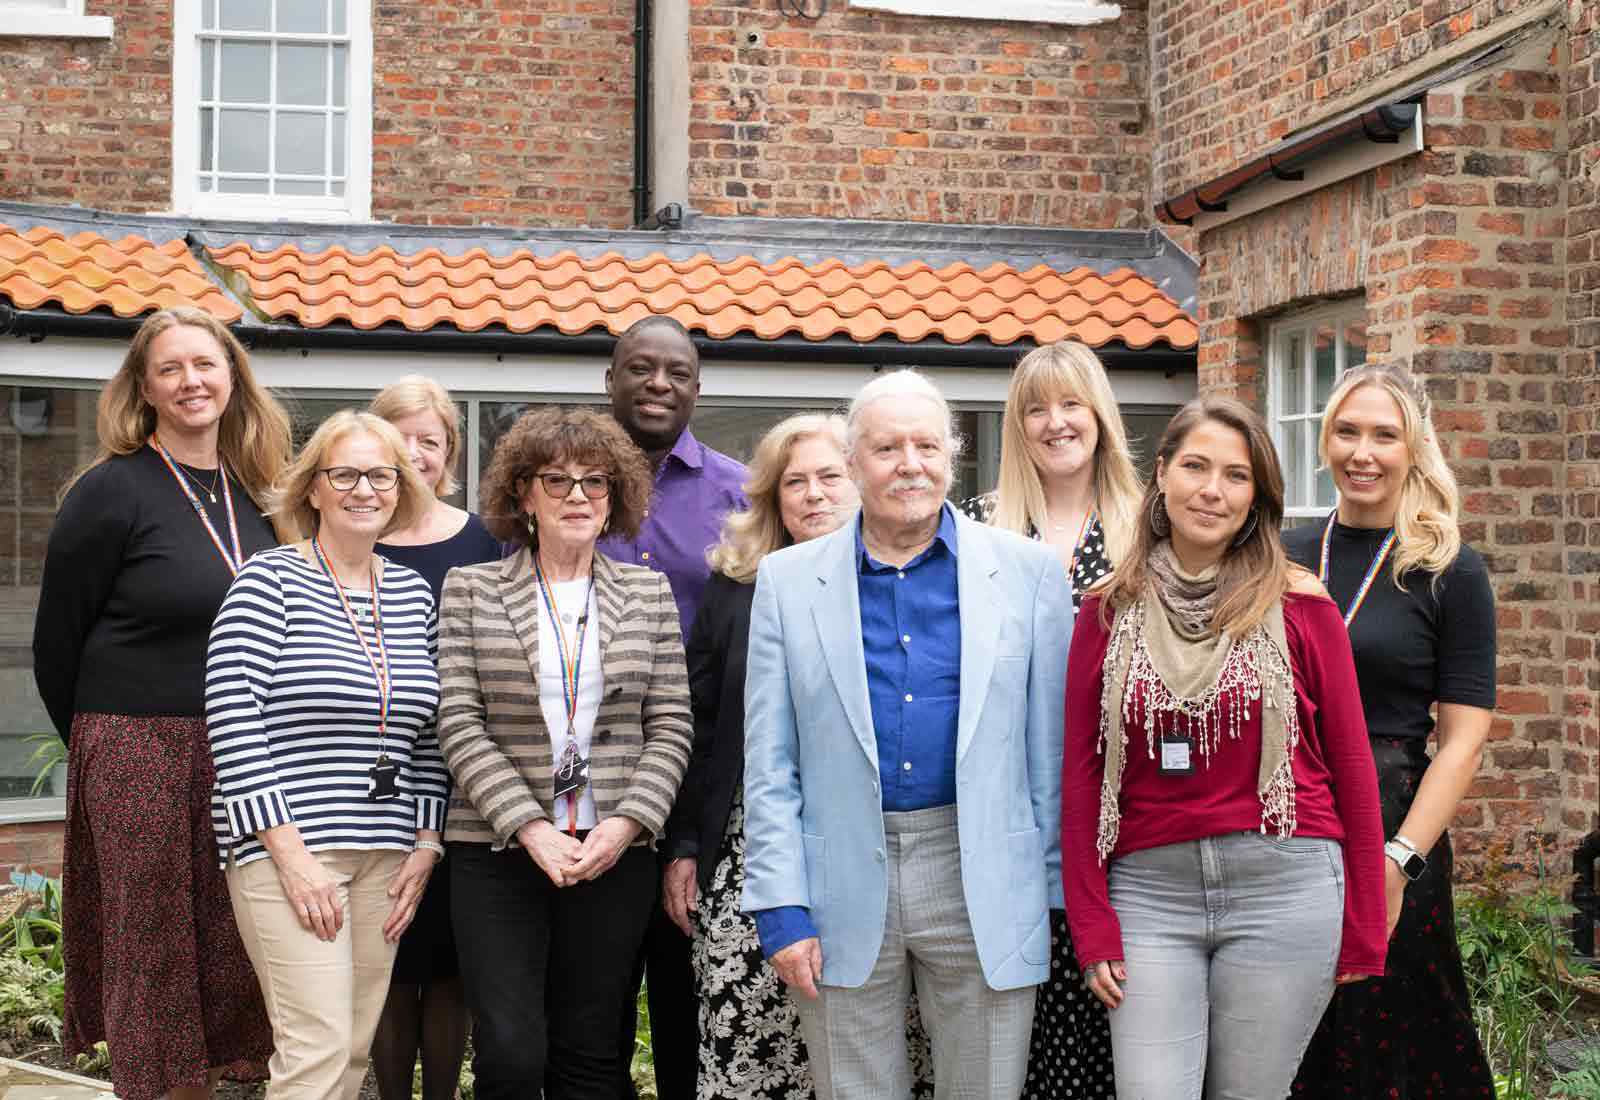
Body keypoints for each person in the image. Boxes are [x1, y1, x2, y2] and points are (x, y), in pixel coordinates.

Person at [741, 369, 1072, 1100]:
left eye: (927, 445)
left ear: (953, 456)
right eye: (888, 448)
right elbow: (769, 764)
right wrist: (781, 908)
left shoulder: (1028, 575)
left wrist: (1052, 895)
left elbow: (1051, 758)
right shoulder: (788, 581)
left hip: (983, 872)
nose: (910, 464)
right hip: (838, 881)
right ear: (853, 463)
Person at [1060, 395, 1388, 1100]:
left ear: (1256, 496)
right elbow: (1084, 775)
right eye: (1196, 467)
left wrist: (1364, 924)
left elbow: (1353, 766)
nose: (1212, 490)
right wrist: (1092, 923)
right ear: (1162, 476)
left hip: (1287, 887)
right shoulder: (1106, 610)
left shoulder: (1304, 605)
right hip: (1150, 894)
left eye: (1236, 476)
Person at [32, 306, 287, 1100]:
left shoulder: (260, 493)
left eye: (205, 365)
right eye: (170, 368)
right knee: (153, 947)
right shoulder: (108, 492)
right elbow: (54, 647)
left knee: (234, 938)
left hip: (242, 752)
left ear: (232, 377)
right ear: (143, 388)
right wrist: (106, 753)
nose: (191, 382)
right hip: (136, 749)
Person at [437, 406, 694, 1100]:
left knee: (591, 1053)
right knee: (512, 1053)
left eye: (596, 482)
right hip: (497, 850)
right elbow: (458, 719)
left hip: (613, 852)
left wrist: (628, 823)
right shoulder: (472, 589)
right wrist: (529, 826)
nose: (578, 496)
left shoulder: (647, 591)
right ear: (522, 493)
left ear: (616, 498)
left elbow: (670, 721)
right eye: (558, 480)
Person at [206, 411, 450, 1100]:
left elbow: (429, 730)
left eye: (381, 475)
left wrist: (427, 841)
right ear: (312, 488)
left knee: (349, 1050)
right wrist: (290, 857)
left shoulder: (411, 593)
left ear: (401, 489)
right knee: (315, 1047)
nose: (363, 489)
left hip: (387, 853)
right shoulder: (267, 581)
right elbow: (233, 724)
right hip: (289, 855)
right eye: (344, 474)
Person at [1288, 363, 1497, 1098]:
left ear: (1415, 449)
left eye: (1386, 434)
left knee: (1397, 1045)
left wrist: (1399, 859)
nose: (1363, 452)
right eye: (1347, 431)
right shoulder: (1281, 556)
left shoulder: (1447, 571)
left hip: (1393, 831)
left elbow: (1463, 739)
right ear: (1325, 441)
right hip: (1285, 831)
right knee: (1292, 1044)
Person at [961, 340, 1138, 1098]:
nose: (1056, 422)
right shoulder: (977, 530)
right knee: (1012, 1035)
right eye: (1036, 408)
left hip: (1127, 810)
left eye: (1071, 404)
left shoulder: (1150, 526)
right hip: (1009, 811)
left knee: (1119, 1021)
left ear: (1100, 415)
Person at [598, 314, 747, 1100]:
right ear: (610, 379)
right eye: (641, 368)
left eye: (678, 373)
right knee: (597, 1008)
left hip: (703, 777)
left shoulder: (742, 495)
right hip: (592, 782)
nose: (659, 384)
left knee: (693, 992)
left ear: (696, 387)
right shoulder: (568, 487)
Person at [368, 376, 501, 1100]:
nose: (416, 453)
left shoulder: (485, 539)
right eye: (401, 436)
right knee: (391, 949)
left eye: (432, 439)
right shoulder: (350, 533)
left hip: (468, 782)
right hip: (374, 787)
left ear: (450, 449)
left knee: (451, 960)